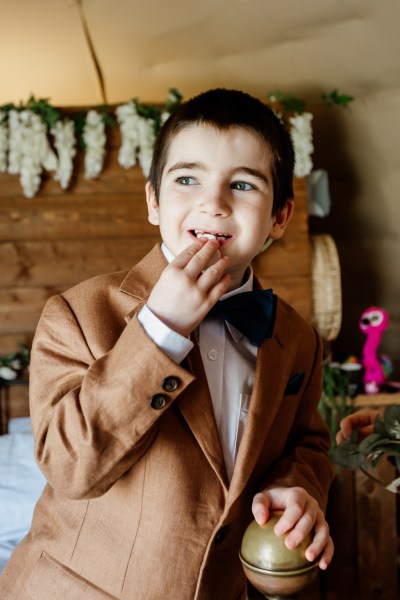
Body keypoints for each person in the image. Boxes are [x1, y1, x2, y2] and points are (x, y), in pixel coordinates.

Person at [0, 88, 335, 600]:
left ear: (280, 217)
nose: (214, 203)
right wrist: (160, 328)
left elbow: (306, 445)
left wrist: (298, 485)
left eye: (243, 184)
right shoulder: (76, 315)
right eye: (187, 179)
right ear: (154, 201)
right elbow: (70, 467)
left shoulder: (298, 340)